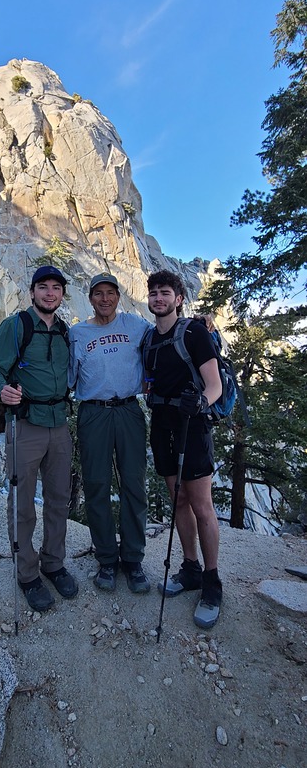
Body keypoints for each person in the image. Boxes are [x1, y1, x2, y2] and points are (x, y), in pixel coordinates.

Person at [0, 265, 78, 613]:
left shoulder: (65, 332)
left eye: (56, 288)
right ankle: (27, 574)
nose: (50, 293)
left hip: (59, 424)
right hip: (25, 424)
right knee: (22, 502)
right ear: (32, 291)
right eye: (43, 287)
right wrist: (0, 390)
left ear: (62, 294)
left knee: (58, 498)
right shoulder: (16, 326)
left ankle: (53, 563)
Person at [145, 269, 223, 629]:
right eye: (154, 293)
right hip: (162, 426)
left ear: (179, 298)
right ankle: (190, 567)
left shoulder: (194, 332)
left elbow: (214, 385)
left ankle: (212, 581)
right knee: (177, 499)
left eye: (166, 293)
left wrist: (201, 404)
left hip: (193, 425)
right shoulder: (149, 339)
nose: (159, 298)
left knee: (201, 504)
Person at [69, 272, 151, 594]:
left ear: (119, 296)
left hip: (129, 409)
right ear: (90, 298)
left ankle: (133, 559)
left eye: (110, 293)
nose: (105, 299)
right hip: (93, 412)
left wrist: (199, 321)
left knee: (134, 484)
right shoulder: (78, 333)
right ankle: (106, 558)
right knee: (96, 485)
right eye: (98, 294)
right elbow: (68, 378)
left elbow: (166, 331)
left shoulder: (136, 326)